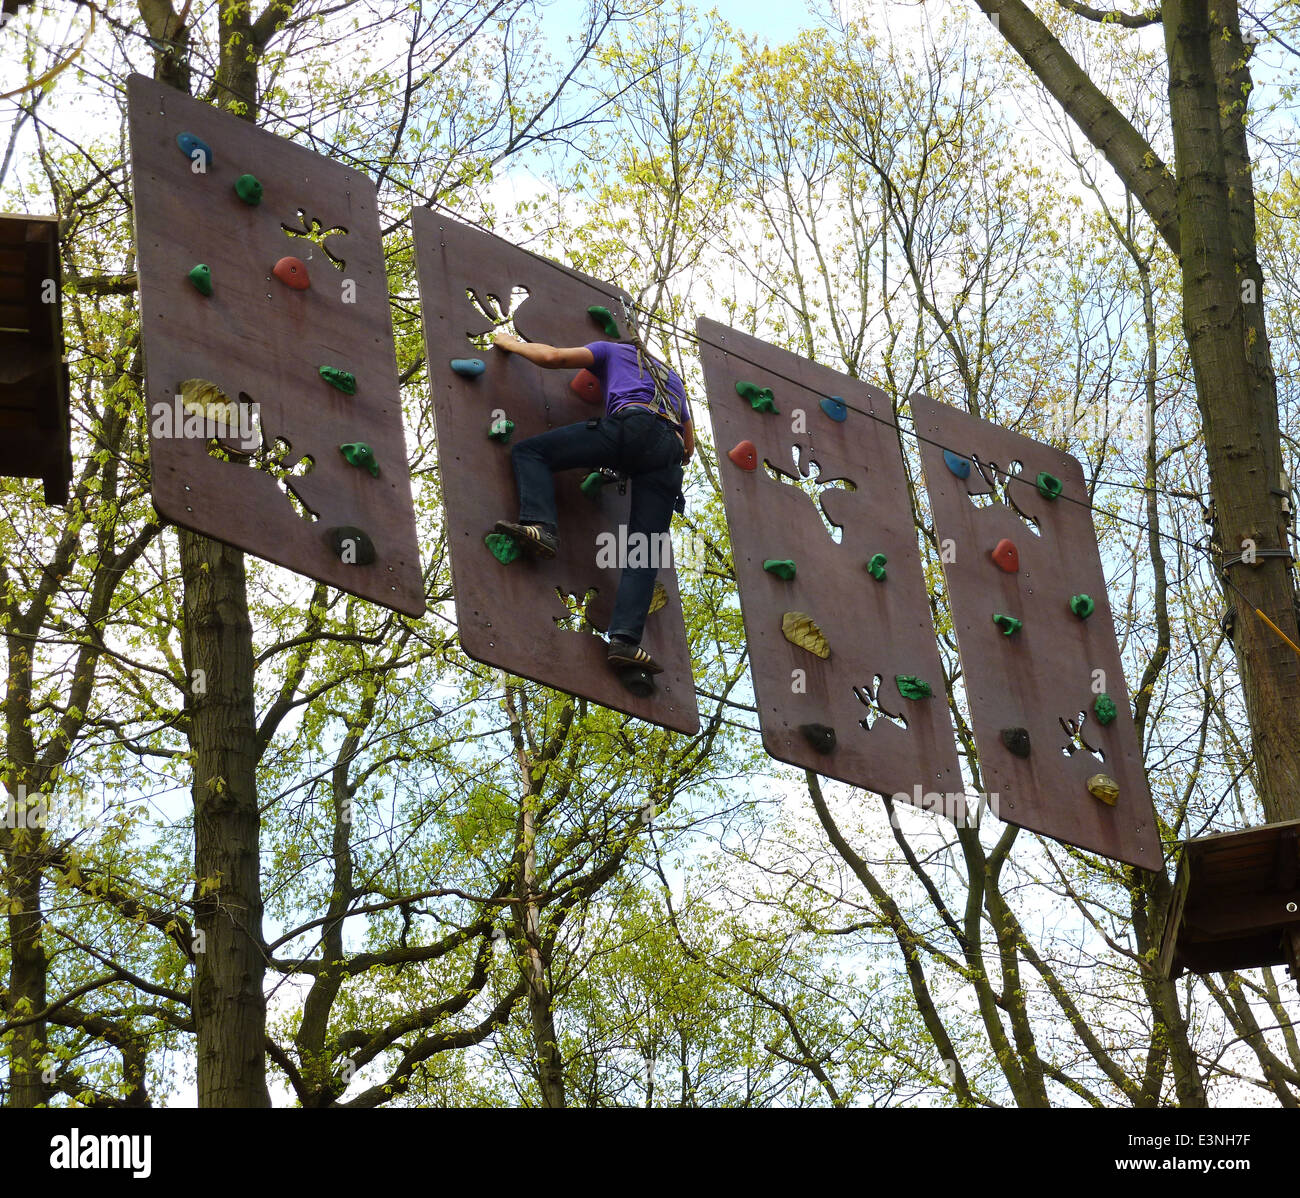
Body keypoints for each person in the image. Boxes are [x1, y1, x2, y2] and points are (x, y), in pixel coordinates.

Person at [492, 326, 694, 676]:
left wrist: (509, 343)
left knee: (530, 453)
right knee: (644, 552)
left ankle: (541, 526)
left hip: (634, 425)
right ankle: (625, 642)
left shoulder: (612, 351)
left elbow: (552, 357)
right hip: (668, 458)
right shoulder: (674, 381)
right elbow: (689, 448)